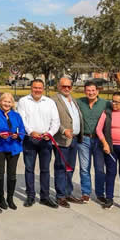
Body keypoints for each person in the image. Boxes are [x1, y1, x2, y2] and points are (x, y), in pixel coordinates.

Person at [76, 81, 120, 204]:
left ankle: (100, 193)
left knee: (99, 169)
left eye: (93, 90)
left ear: (97, 91)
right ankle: (86, 193)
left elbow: (119, 106)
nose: (91, 93)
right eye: (88, 90)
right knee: (84, 168)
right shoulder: (78, 102)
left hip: (99, 140)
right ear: (85, 91)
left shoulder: (106, 103)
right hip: (84, 139)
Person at [17, 79, 60, 209]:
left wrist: (50, 133)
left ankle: (45, 197)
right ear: (31, 88)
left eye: (40, 88)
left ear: (43, 88)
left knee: (45, 169)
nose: (37, 90)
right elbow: (22, 120)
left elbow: (56, 121)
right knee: (29, 169)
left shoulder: (50, 102)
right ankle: (30, 196)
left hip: (45, 140)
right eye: (35, 87)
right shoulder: (23, 101)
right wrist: (31, 131)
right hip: (30, 139)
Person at [0, 93, 25, 210]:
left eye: (9, 102)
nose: (7, 104)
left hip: (14, 146)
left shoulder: (16, 115)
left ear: (12, 103)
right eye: (5, 101)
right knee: (0, 173)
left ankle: (10, 198)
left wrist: (18, 136)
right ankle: (1, 198)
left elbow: (22, 129)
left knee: (12, 174)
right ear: (0, 102)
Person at [51, 77, 84, 208]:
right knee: (61, 167)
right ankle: (60, 196)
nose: (66, 88)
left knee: (70, 168)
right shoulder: (54, 100)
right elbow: (53, 120)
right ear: (59, 86)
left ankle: (68, 192)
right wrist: (63, 130)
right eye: (64, 86)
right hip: (62, 140)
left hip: (74, 139)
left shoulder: (73, 100)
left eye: (69, 86)